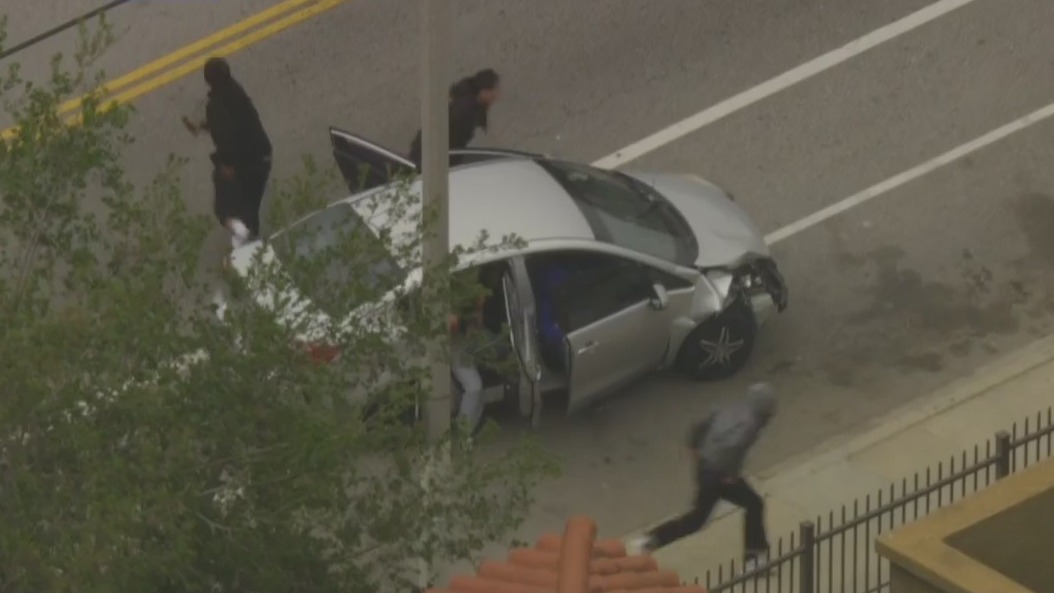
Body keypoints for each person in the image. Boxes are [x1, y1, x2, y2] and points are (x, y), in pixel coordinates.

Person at [627, 383, 778, 573]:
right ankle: (754, 560)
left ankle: (650, 540)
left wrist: (694, 447)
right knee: (750, 505)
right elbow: (734, 447)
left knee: (700, 517)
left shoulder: (734, 409)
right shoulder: (751, 424)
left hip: (705, 467)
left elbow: (703, 424)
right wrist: (730, 474)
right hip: (718, 474)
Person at [183, 56, 273, 241]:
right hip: (262, 156)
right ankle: (251, 236)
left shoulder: (216, 106)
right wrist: (203, 126)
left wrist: (225, 165)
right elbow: (232, 124)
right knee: (249, 206)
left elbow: (227, 138)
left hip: (245, 163)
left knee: (224, 210)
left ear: (208, 80)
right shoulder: (235, 90)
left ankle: (248, 239)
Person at [408, 68, 501, 167]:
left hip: (431, 158)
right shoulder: (466, 109)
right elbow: (455, 143)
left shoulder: (468, 105)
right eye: (494, 90)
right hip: (430, 161)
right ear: (484, 90)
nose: (495, 95)